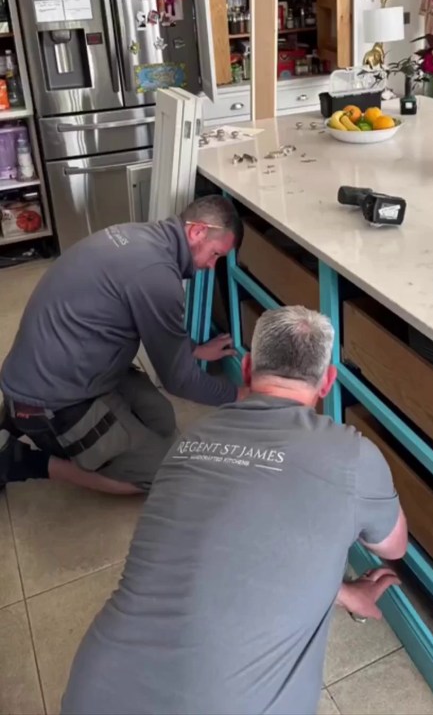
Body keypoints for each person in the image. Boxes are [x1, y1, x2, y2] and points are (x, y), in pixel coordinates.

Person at [61, 305, 408, 715]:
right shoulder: (354, 457)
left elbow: (237, 554)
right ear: (327, 382)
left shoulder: (190, 442)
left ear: (246, 369)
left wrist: (344, 593)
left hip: (96, 692)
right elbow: (393, 547)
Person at [0, 196, 243, 496]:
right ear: (197, 232)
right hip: (50, 402)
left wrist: (192, 349)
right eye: (216, 254)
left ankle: (15, 417)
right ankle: (18, 461)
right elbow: (180, 381)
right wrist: (239, 394)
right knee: (162, 474)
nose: (210, 266)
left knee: (162, 420)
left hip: (50, 368)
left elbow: (154, 325)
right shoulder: (156, 277)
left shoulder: (139, 237)